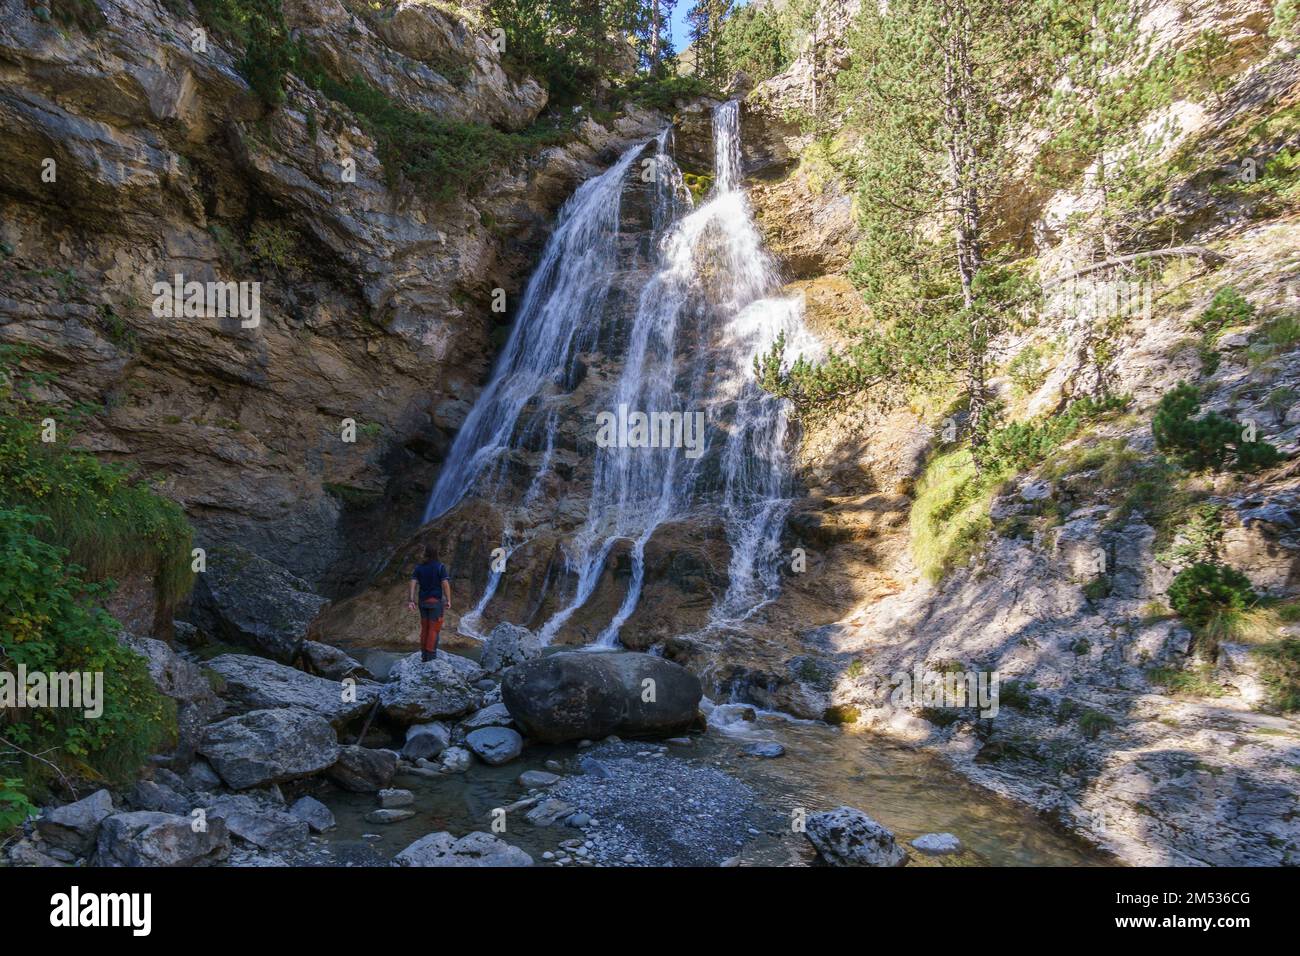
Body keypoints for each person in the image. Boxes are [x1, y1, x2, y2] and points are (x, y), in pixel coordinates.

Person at [408, 545, 452, 662]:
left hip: (422, 602)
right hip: (435, 602)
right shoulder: (440, 567)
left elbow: (412, 582)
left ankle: (423, 655)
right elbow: (445, 584)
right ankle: (431, 657)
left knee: (425, 628)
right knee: (434, 629)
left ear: (426, 554)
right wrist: (448, 600)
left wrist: (411, 600)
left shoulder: (419, 568)